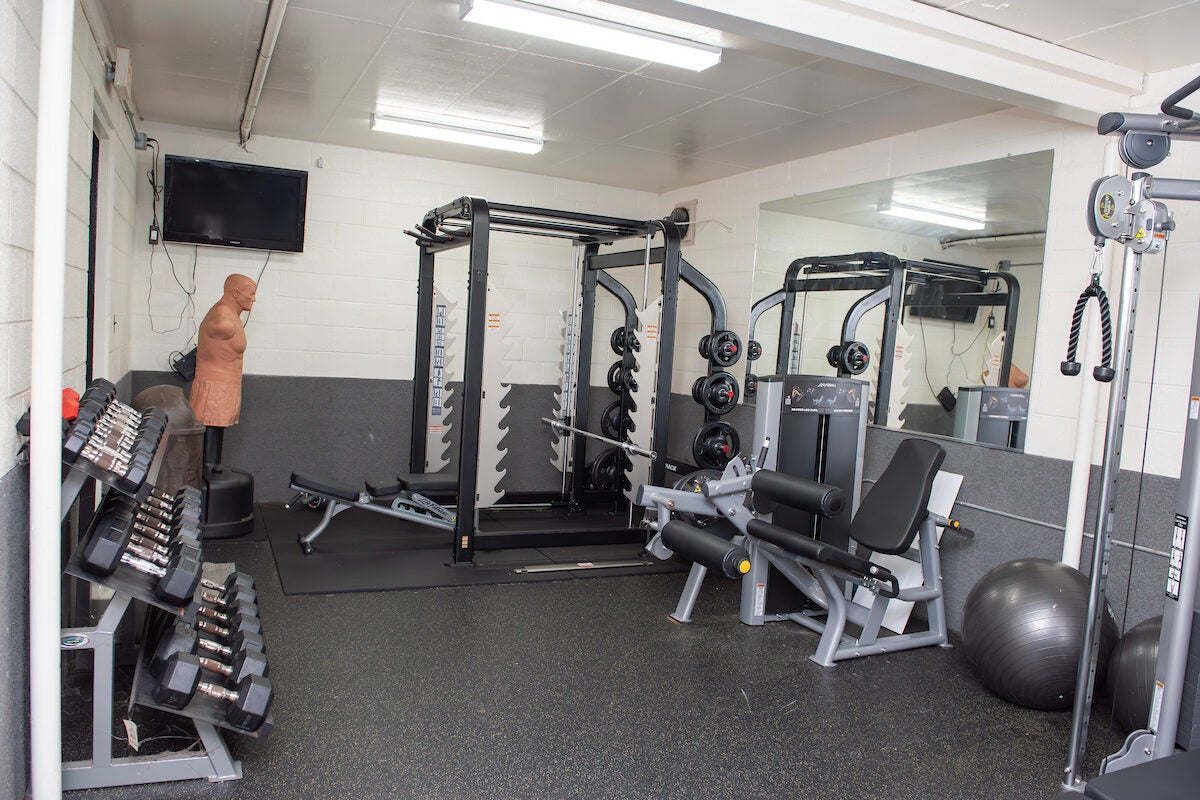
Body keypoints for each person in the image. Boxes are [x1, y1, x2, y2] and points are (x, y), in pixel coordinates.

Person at [190, 273, 256, 465]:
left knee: (215, 440)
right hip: (213, 390)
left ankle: (212, 477)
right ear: (235, 293)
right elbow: (216, 327)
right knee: (209, 445)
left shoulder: (231, 316)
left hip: (226, 387)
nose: (253, 298)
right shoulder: (222, 320)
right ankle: (207, 483)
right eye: (250, 294)